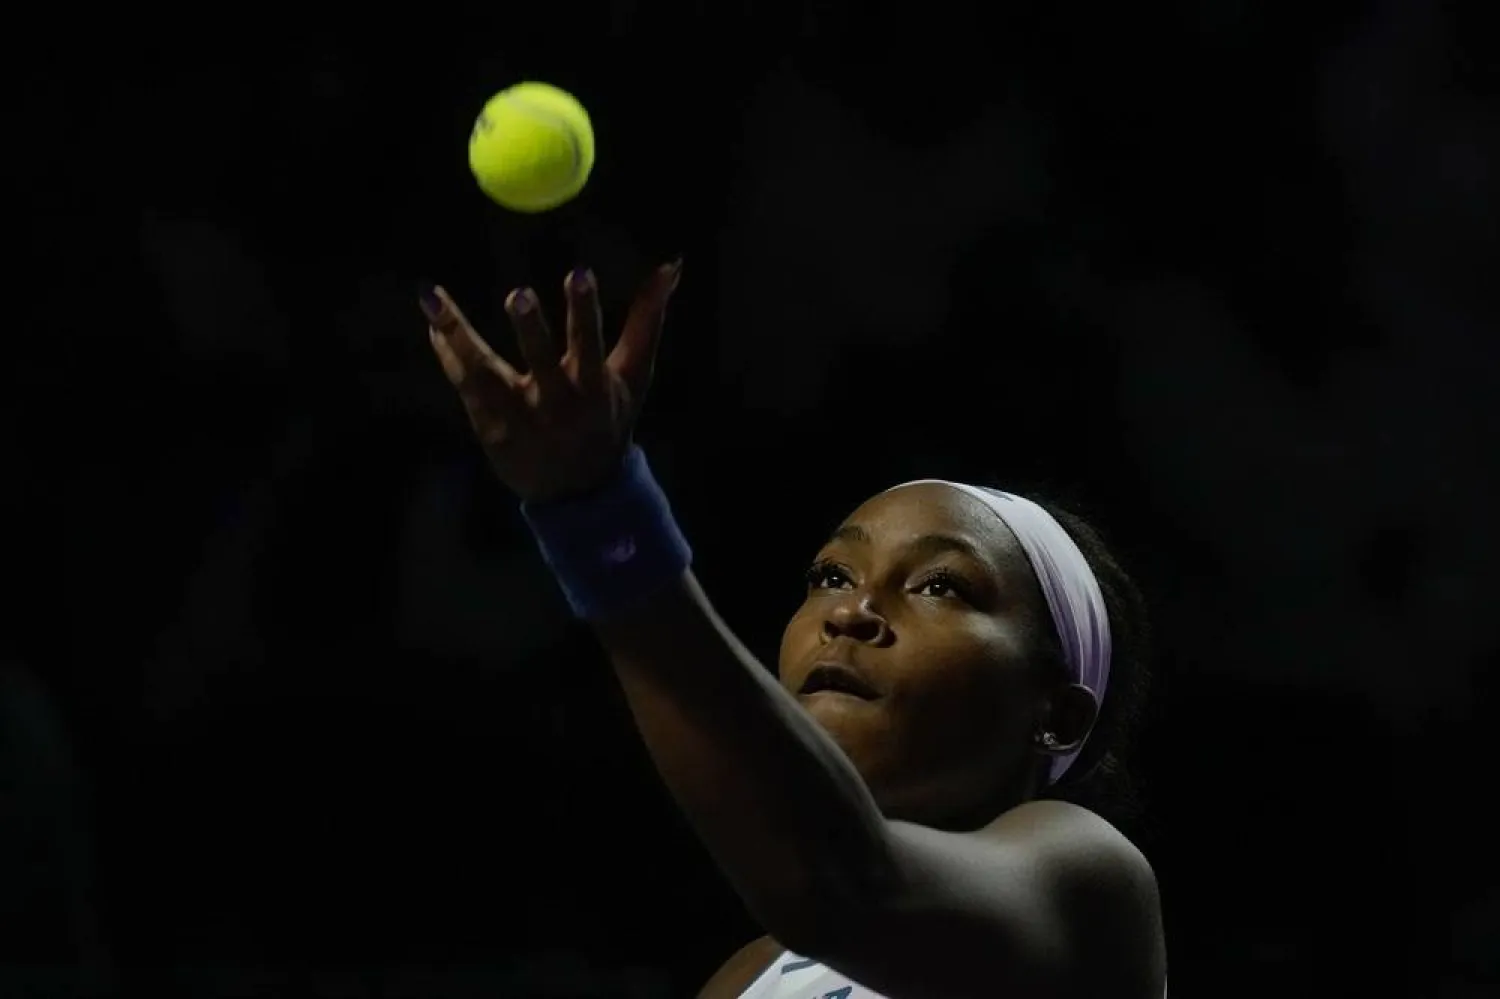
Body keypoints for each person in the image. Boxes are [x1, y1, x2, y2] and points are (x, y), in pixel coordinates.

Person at [419, 263, 1167, 999]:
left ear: (1059, 714)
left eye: (940, 585)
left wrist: (600, 518)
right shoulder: (751, 975)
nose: (850, 612)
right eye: (831, 576)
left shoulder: (1088, 880)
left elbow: (840, 884)